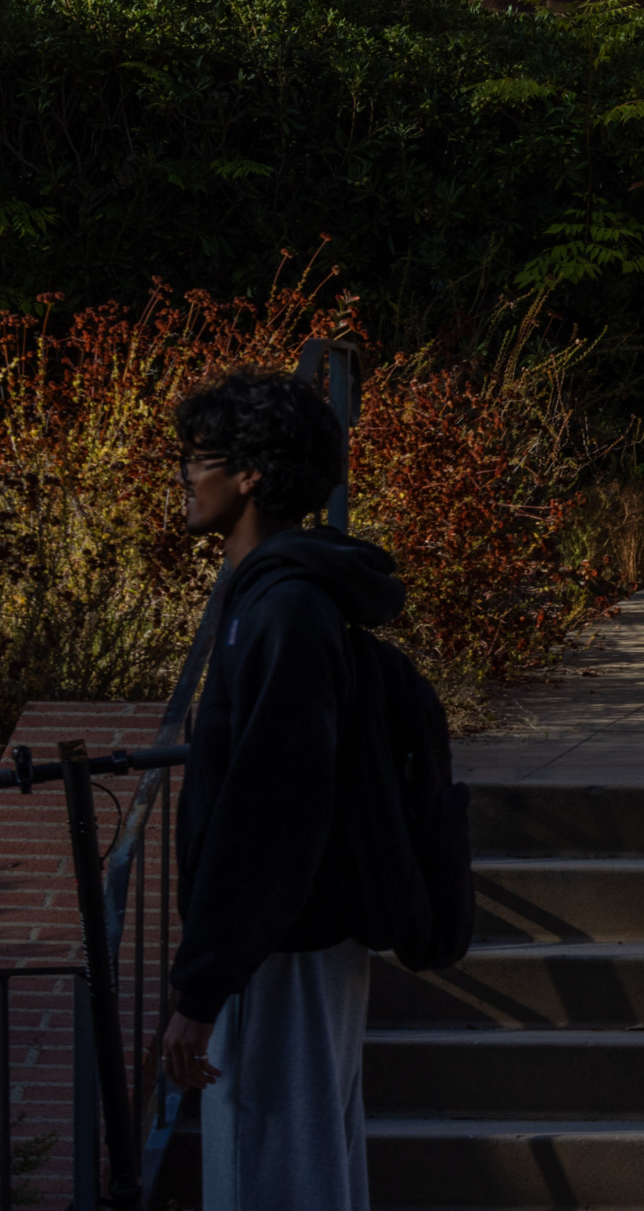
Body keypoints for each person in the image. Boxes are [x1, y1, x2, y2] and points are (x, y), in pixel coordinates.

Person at [156, 370, 405, 1211]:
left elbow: (273, 813)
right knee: (291, 1161)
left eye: (197, 459)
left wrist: (202, 988)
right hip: (283, 942)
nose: (185, 477)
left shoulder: (284, 609)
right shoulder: (272, 599)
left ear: (251, 473)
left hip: (285, 948)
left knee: (279, 1166)